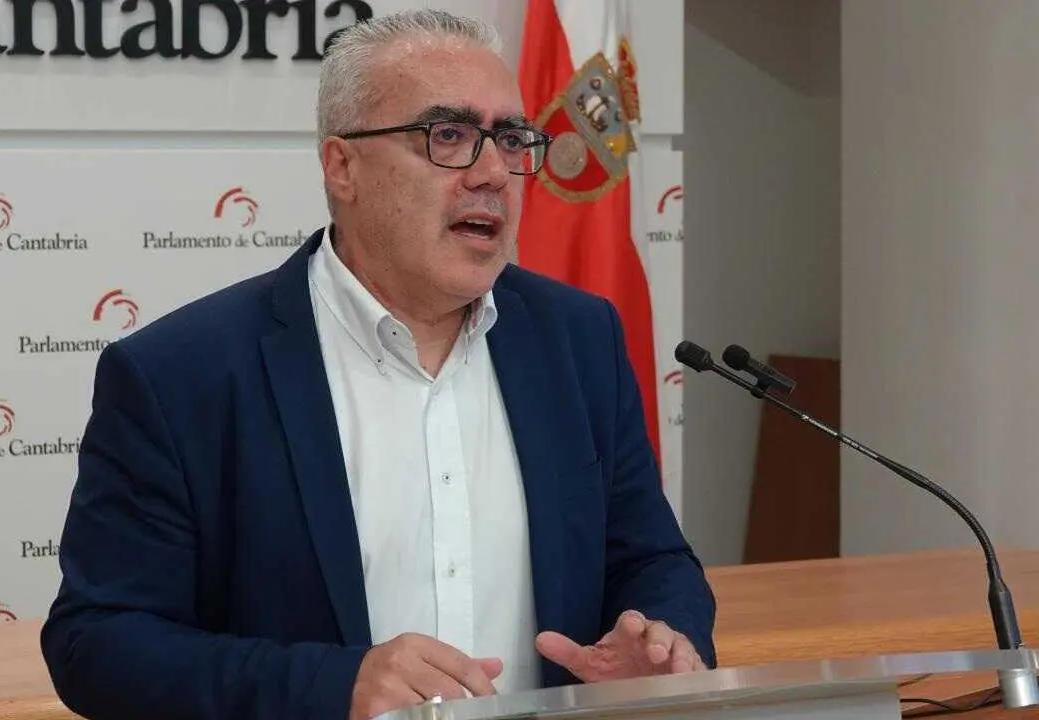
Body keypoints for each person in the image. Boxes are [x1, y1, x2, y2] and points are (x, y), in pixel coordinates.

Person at [40, 9, 716, 720]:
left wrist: (661, 640)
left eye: (512, 139)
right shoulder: (182, 374)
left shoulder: (578, 339)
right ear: (343, 167)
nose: (493, 172)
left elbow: (650, 558)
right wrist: (334, 686)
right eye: (448, 135)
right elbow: (99, 643)